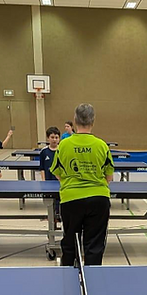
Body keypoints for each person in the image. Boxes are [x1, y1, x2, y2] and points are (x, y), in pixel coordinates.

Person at [50, 103, 114, 266]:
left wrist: (70, 183)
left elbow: (56, 172)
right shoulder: (102, 145)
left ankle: (67, 276)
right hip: (98, 199)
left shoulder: (64, 145)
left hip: (71, 199)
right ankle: (93, 278)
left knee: (69, 243)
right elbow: (109, 176)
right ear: (93, 121)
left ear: (75, 120)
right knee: (95, 246)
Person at [39, 126, 61, 220]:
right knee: (50, 200)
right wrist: (43, 181)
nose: (54, 140)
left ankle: (59, 216)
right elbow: (42, 168)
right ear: (48, 138)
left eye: (56, 137)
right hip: (48, 180)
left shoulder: (62, 150)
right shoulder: (44, 152)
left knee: (59, 200)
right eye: (52, 137)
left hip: (59, 181)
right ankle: (51, 216)